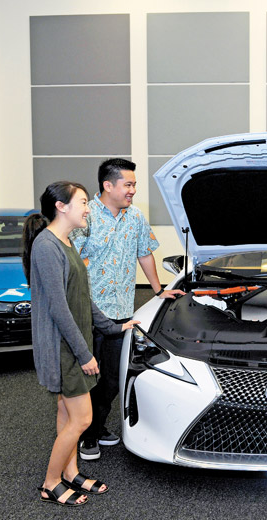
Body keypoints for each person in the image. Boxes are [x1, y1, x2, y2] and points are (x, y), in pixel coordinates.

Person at [23, 181, 138, 506]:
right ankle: (50, 482)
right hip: (64, 349)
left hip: (73, 344)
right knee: (83, 420)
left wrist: (113, 326)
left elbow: (82, 299)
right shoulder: (47, 246)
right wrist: (85, 353)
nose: (89, 208)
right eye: (83, 202)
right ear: (61, 207)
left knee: (66, 413)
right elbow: (59, 309)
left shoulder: (66, 242)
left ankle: (71, 472)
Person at [70, 158, 184, 460]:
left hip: (122, 313)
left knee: (112, 378)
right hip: (89, 313)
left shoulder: (135, 217)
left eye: (134, 185)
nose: (133, 190)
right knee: (88, 378)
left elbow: (144, 253)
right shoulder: (85, 216)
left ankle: (97, 425)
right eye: (128, 184)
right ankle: (87, 435)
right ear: (108, 185)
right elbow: (72, 262)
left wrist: (159, 289)